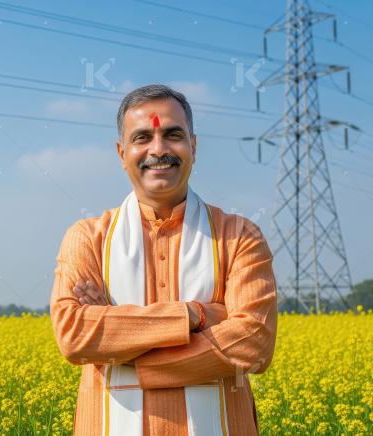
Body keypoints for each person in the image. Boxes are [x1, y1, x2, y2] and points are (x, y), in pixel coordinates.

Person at [49, 84, 277, 435]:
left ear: (194, 146)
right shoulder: (87, 238)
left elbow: (254, 344)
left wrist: (123, 346)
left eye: (172, 134)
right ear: (122, 152)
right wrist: (196, 315)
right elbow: (75, 335)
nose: (158, 149)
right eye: (142, 137)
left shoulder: (240, 236)